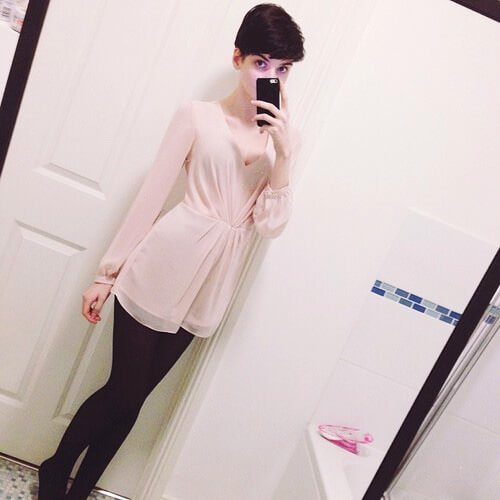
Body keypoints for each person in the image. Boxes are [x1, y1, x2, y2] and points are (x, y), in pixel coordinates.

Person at [37, 3, 305, 499]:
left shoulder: (282, 142)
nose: (271, 77)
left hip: (211, 283)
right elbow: (152, 194)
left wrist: (286, 154)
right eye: (261, 63)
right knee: (123, 390)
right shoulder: (197, 117)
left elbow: (270, 226)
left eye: (283, 68)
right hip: (163, 265)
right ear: (237, 58)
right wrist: (106, 273)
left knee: (135, 399)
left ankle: (81, 488)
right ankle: (55, 471)